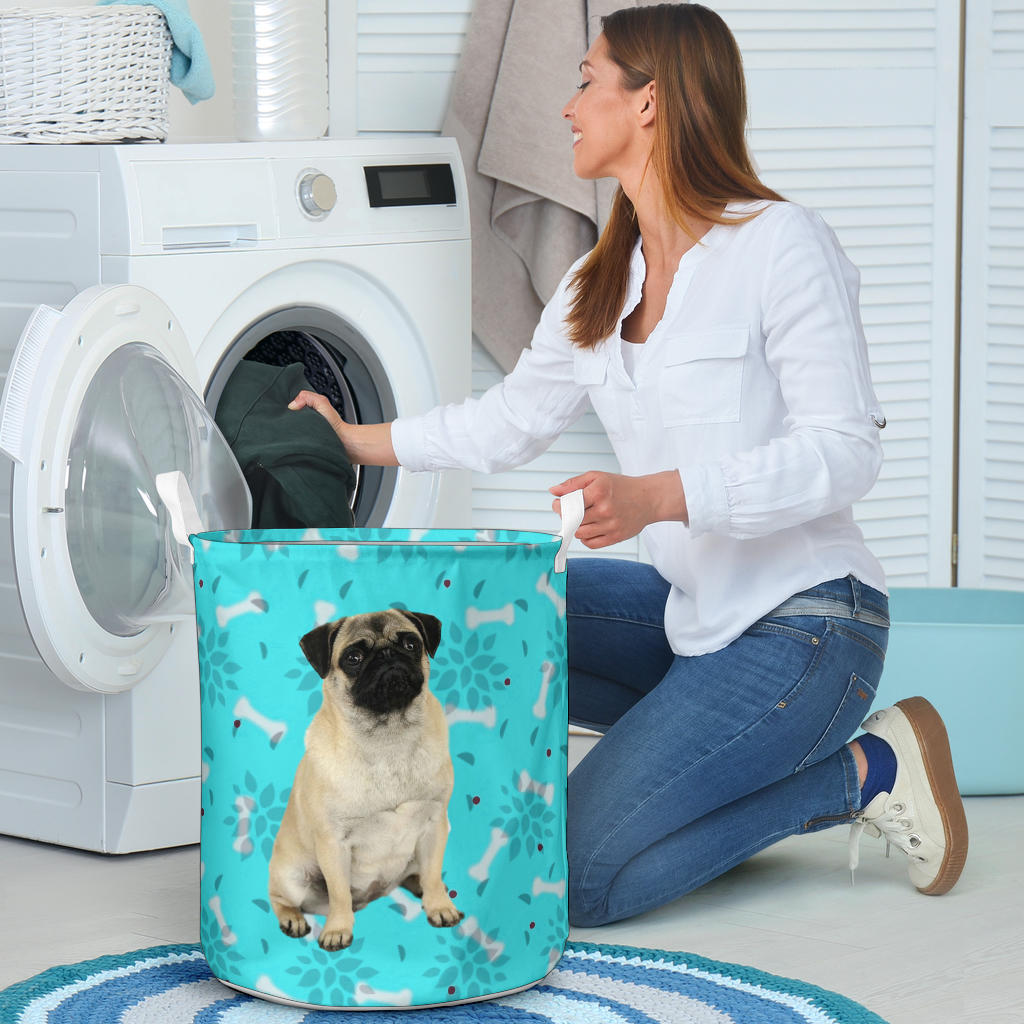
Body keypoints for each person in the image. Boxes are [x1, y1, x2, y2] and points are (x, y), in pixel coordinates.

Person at [289, 2, 968, 928]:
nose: (566, 107)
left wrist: (661, 497)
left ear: (649, 103)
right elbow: (510, 421)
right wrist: (363, 437)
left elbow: (846, 454)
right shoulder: (597, 280)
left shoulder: (779, 244)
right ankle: (655, 764)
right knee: (494, 621)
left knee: (582, 880)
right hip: (695, 619)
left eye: (585, 81)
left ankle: (864, 773)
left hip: (810, 626)